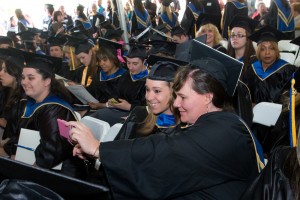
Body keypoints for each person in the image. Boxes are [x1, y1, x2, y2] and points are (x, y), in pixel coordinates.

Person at [67, 40, 263, 199]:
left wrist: (99, 149)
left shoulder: (226, 131)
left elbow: (164, 151)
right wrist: (97, 156)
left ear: (208, 96)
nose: (176, 104)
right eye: (176, 96)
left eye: (183, 97)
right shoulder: (210, 124)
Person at [17, 51, 86, 178]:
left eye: (31, 78)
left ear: (47, 81)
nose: (24, 82)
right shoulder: (33, 103)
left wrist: (24, 175)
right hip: (38, 163)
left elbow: (52, 152)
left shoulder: (54, 109)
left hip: (61, 175)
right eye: (23, 77)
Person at [116, 55, 182, 139]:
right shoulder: (139, 114)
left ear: (174, 92)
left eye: (157, 91)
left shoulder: (187, 128)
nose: (149, 97)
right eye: (147, 89)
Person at [88, 40, 147, 126]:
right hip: (120, 111)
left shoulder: (149, 81)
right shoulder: (126, 76)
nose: (130, 67)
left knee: (98, 116)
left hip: (139, 117)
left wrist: (129, 107)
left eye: (135, 64)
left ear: (144, 62)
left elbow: (150, 108)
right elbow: (116, 98)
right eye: (128, 63)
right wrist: (108, 104)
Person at [243, 25, 297, 105]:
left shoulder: (287, 71)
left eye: (272, 48)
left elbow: (289, 99)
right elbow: (244, 93)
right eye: (262, 49)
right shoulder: (252, 69)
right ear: (258, 52)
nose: (267, 53)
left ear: (276, 50)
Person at [0, 48, 24, 157]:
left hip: (15, 147)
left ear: (15, 73)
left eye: (5, 70)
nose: (0, 73)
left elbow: (15, 129)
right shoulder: (6, 91)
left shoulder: (24, 98)